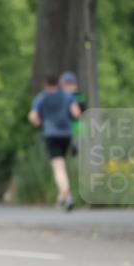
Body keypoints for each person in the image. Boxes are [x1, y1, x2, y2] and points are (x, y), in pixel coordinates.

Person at [29, 74, 81, 211]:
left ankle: (67, 195)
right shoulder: (67, 96)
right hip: (66, 134)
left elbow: (33, 116)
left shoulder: (41, 97)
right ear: (58, 83)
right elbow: (76, 113)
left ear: (46, 84)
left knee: (58, 167)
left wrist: (40, 123)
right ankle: (61, 199)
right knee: (62, 165)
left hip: (51, 134)